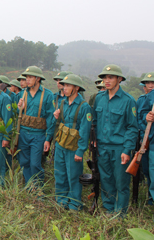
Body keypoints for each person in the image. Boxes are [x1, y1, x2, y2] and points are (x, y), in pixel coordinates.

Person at [93, 64, 138, 215]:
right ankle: (108, 209)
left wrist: (127, 150)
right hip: (102, 147)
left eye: (110, 77)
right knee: (106, 180)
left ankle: (120, 214)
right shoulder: (99, 99)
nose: (107, 80)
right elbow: (94, 122)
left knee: (121, 183)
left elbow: (132, 127)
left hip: (119, 148)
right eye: (105, 77)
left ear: (119, 79)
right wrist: (93, 140)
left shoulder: (128, 101)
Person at [52, 74, 91, 211]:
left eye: (68, 85)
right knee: (60, 174)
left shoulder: (84, 107)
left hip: (74, 148)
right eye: (64, 85)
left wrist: (80, 151)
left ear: (76, 88)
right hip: (61, 145)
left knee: (73, 176)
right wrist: (56, 116)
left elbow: (85, 131)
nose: (65, 88)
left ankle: (74, 204)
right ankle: (61, 202)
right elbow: (59, 124)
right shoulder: (62, 103)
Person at [16, 66, 55, 187]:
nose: (27, 80)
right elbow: (18, 115)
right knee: (24, 162)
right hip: (23, 133)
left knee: (35, 164)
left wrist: (48, 139)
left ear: (38, 79)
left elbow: (50, 118)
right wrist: (20, 109)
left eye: (30, 77)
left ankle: (38, 189)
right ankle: (29, 187)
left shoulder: (47, 95)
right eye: (26, 77)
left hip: (38, 135)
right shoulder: (22, 93)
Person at [138, 73, 154, 206]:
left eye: (153, 82)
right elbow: (141, 114)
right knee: (151, 174)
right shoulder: (151, 96)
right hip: (151, 141)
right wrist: (147, 118)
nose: (150, 85)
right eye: (148, 83)